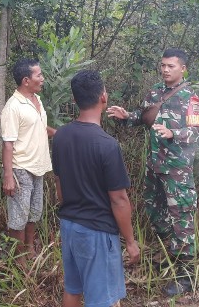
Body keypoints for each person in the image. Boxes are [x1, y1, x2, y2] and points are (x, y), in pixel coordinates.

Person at [107, 48, 199, 297]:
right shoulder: (155, 92)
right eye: (162, 65)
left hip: (177, 172)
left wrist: (175, 133)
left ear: (182, 68)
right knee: (154, 211)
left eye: (171, 66)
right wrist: (126, 116)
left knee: (181, 219)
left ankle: (185, 276)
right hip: (154, 167)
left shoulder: (190, 99)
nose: (165, 70)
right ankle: (171, 252)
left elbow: (196, 132)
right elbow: (143, 117)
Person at [53, 70, 140, 307]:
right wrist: (130, 242)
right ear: (104, 96)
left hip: (69, 226)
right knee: (101, 300)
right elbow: (119, 200)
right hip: (96, 233)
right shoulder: (107, 145)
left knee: (72, 289)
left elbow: (59, 184)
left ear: (74, 100)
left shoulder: (60, 136)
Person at [0, 58, 56, 263]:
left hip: (38, 166)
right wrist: (8, 176)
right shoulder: (13, 107)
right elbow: (8, 144)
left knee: (34, 213)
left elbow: (39, 128)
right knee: (18, 217)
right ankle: (19, 260)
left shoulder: (36, 100)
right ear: (26, 80)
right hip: (21, 168)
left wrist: (59, 133)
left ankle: (29, 248)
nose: (42, 79)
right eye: (38, 75)